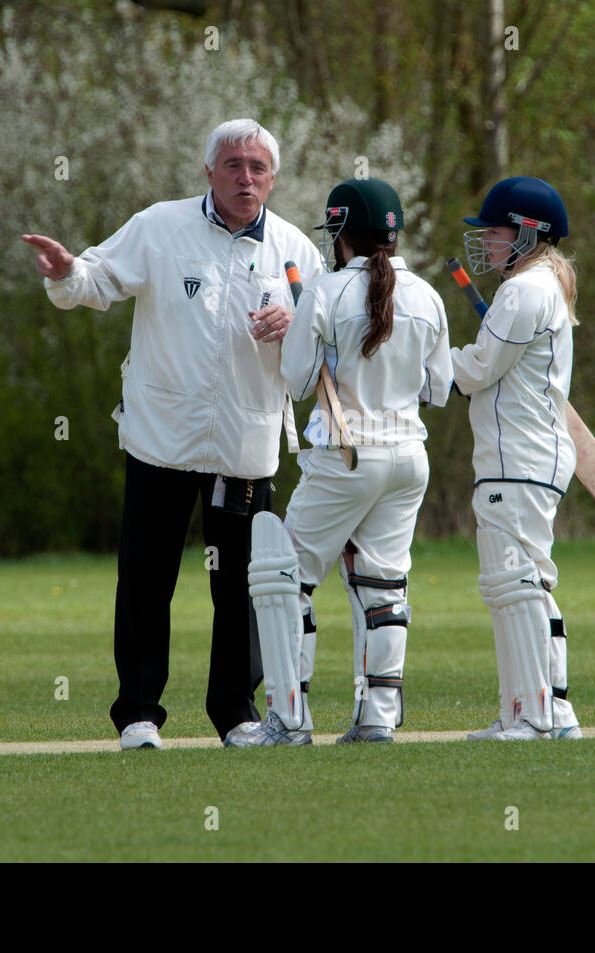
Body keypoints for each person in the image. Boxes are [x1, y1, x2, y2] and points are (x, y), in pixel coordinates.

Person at [21, 119, 325, 749]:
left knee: (242, 584)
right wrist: (63, 271)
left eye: (258, 168)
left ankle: (236, 714)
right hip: (162, 437)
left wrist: (296, 320)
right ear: (209, 172)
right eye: (234, 165)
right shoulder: (161, 226)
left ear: (273, 178)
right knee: (146, 578)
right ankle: (137, 713)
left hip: (245, 444)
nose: (246, 178)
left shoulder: (296, 250)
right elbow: (95, 280)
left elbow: (323, 343)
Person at [228, 178, 452, 745]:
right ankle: (376, 719)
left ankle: (287, 720)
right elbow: (439, 390)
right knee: (383, 588)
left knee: (283, 577)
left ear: (343, 233)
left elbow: (302, 382)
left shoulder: (326, 291)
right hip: (409, 458)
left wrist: (308, 337)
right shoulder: (428, 295)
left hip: (345, 455)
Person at [450, 176, 583, 741]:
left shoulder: (523, 290)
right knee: (524, 582)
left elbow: (479, 369)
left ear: (529, 233)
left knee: (517, 583)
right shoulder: (542, 286)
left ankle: (532, 716)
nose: (487, 242)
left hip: (518, 458)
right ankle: (543, 712)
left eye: (497, 231)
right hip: (529, 458)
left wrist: (422, 363)